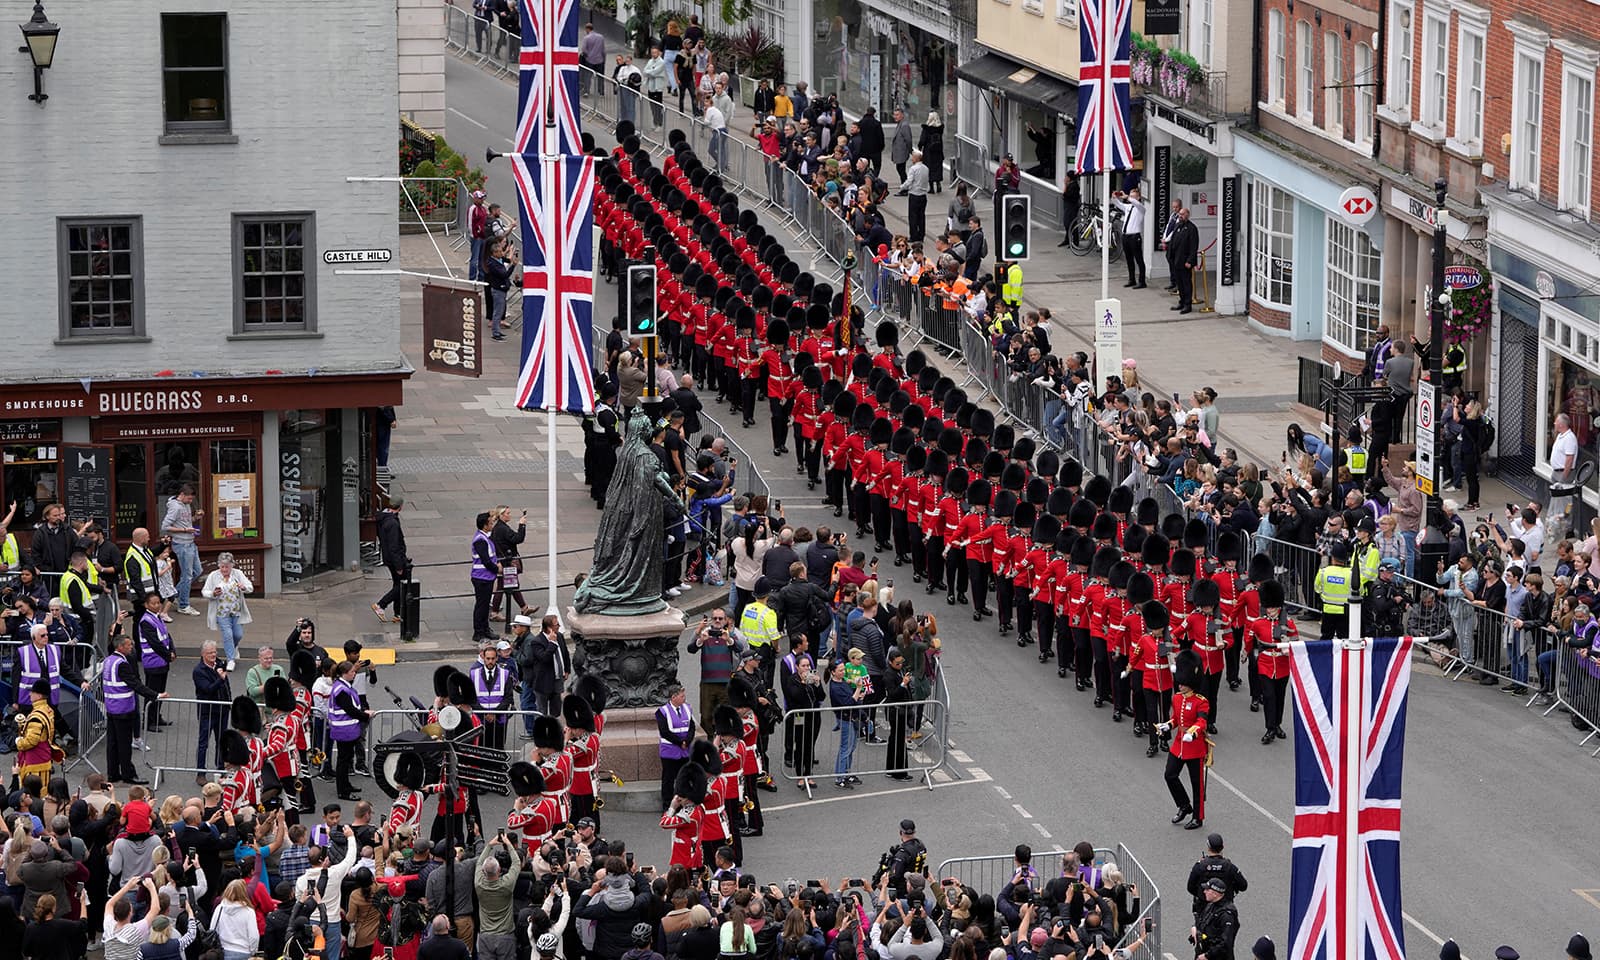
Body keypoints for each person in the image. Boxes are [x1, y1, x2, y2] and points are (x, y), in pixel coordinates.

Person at [105, 623, 167, 785]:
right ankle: (128, 774)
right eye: (129, 645)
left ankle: (113, 773)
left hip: (111, 707)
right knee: (124, 744)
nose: (132, 647)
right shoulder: (123, 664)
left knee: (113, 743)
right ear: (120, 647)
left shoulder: (109, 660)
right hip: (124, 708)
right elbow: (135, 684)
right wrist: (156, 695)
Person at [327, 660, 372, 801]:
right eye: (352, 672)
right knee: (343, 760)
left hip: (345, 729)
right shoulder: (342, 690)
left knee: (345, 760)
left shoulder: (342, 686)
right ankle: (343, 791)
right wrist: (366, 715)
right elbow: (351, 710)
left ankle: (346, 785)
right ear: (344, 674)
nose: (354, 674)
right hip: (344, 730)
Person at [202, 552, 252, 672]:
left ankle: (233, 648)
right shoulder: (213, 576)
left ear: (232, 565)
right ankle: (230, 660)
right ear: (219, 565)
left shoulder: (238, 574)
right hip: (221, 612)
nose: (224, 569)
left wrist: (243, 587)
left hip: (236, 611)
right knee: (228, 635)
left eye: (227, 567)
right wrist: (213, 593)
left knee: (238, 634)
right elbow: (205, 591)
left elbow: (250, 587)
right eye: (222, 566)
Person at [160, 485, 203, 615]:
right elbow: (165, 526)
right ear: (182, 494)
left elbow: (185, 521)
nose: (191, 502)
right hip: (182, 545)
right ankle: (183, 605)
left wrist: (196, 518)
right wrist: (185, 530)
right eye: (189, 499)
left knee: (197, 571)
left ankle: (174, 595)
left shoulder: (185, 505)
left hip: (190, 543)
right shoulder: (175, 507)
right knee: (187, 575)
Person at [658, 684, 697, 810]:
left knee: (684, 779)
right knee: (668, 780)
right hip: (670, 751)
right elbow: (664, 731)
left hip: (685, 750)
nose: (684, 698)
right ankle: (667, 805)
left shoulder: (687, 708)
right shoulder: (662, 711)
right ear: (674, 697)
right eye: (682, 696)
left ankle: (683, 803)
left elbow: (691, 726)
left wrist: (687, 740)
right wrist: (680, 742)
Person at [373, 496, 411, 624]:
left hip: (388, 557)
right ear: (400, 507)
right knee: (403, 584)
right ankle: (381, 605)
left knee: (398, 583)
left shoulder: (383, 517)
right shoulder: (393, 523)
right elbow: (394, 546)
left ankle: (397, 614)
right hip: (395, 559)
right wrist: (399, 566)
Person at [470, 511, 501, 642]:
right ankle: (479, 632)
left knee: (484, 605)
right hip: (481, 577)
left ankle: (485, 629)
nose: (492, 524)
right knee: (481, 605)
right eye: (490, 522)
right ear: (485, 525)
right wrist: (497, 569)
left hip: (486, 577)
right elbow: (486, 560)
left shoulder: (485, 537)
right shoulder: (480, 540)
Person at [1191, 879, 1239, 960]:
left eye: (1207, 890)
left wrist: (1207, 956)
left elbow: (1225, 943)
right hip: (1203, 952)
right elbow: (1202, 922)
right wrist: (1194, 928)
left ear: (1215, 894)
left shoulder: (1226, 914)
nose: (1204, 892)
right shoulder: (1211, 905)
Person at [1109, 189, 1147, 288]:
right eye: (1131, 196)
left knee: (1139, 259)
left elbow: (1136, 203)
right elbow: (1118, 204)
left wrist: (1128, 197)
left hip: (1135, 236)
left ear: (1138, 198)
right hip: (1126, 236)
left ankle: (1142, 281)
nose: (1131, 198)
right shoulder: (1129, 207)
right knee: (1129, 259)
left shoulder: (1141, 208)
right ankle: (1132, 279)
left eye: (1134, 196)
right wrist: (1114, 197)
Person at [1168, 208, 1200, 314]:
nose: (1180, 216)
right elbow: (1173, 241)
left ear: (1187, 215)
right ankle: (1181, 302)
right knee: (1179, 283)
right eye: (1179, 214)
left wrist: (1190, 261)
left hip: (1185, 261)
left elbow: (1193, 247)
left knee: (1186, 283)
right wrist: (1170, 256)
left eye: (1182, 214)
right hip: (1176, 260)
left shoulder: (1192, 228)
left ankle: (1187, 304)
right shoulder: (1178, 226)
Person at [904, 150, 930, 243]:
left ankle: (914, 235)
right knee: (921, 216)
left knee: (913, 216)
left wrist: (902, 187)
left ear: (916, 158)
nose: (912, 159)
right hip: (923, 195)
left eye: (913, 157)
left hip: (914, 194)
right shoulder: (926, 168)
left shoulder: (913, 169)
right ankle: (921, 235)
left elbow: (909, 181)